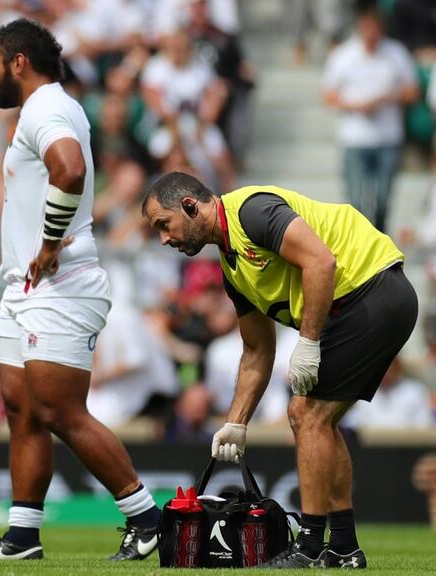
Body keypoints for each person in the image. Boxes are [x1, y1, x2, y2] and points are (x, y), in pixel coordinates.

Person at [0, 18, 161, 563]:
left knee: (59, 409)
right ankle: (23, 536)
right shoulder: (45, 108)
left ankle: (147, 518)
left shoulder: (47, 106)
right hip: (26, 286)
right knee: (22, 409)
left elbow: (68, 171)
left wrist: (49, 242)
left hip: (61, 280)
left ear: (20, 62)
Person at [142, 171, 417, 568]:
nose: (164, 239)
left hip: (372, 289)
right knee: (317, 420)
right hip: (363, 301)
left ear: (189, 205)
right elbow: (256, 350)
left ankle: (308, 546)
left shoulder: (252, 211)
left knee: (306, 414)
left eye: (163, 225)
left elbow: (321, 262)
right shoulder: (233, 270)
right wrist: (236, 422)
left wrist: (307, 343)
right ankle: (343, 547)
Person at [322, 0, 419, 232]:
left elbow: (412, 91)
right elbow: (328, 94)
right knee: (356, 199)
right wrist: (355, 106)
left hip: (387, 137)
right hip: (355, 138)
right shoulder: (344, 55)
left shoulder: (396, 53)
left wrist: (387, 98)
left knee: (383, 199)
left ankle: (380, 240)